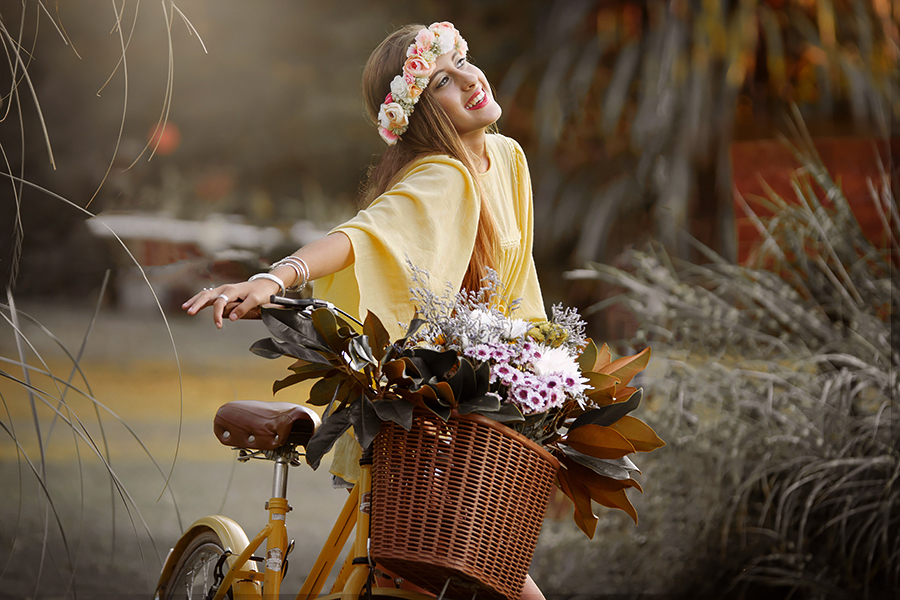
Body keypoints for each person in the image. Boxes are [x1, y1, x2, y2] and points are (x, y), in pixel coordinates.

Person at [182, 21, 547, 600]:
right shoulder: (443, 173)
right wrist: (275, 275)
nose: (469, 81)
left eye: (461, 63)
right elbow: (365, 236)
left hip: (463, 404)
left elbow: (517, 280)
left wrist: (541, 365)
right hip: (425, 400)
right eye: (442, 84)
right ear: (425, 118)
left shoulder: (506, 158)